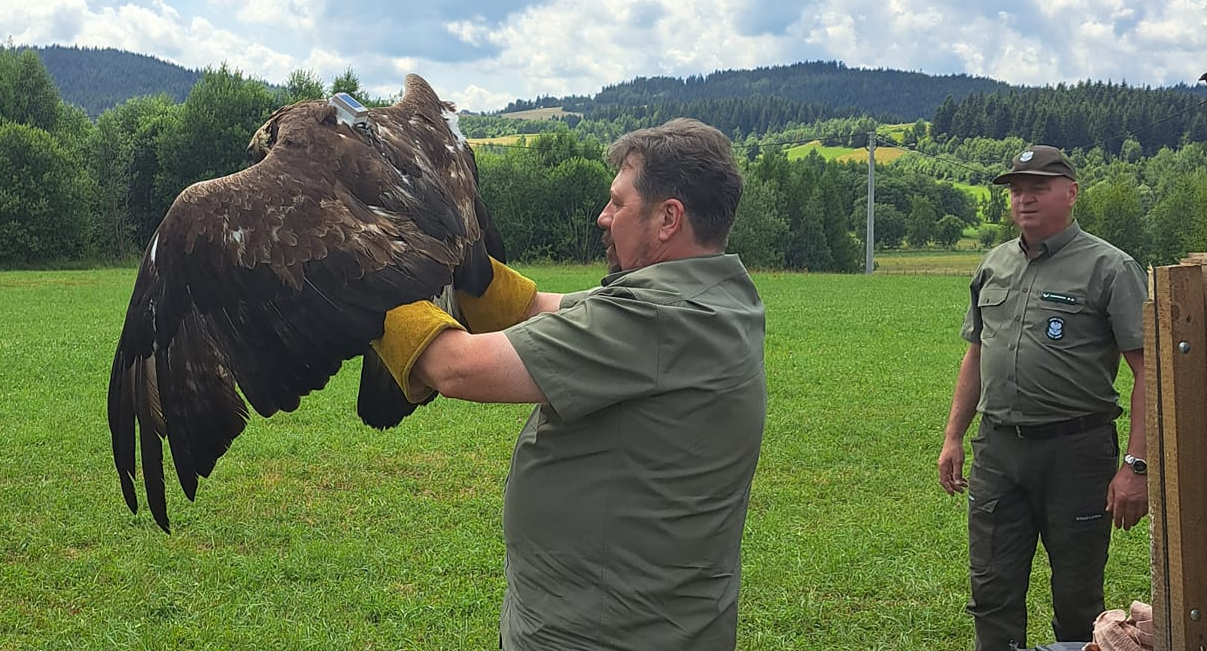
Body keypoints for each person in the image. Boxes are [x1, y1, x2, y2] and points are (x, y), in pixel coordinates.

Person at [372, 118, 767, 651]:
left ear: (669, 217)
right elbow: (537, 308)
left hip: (605, 633)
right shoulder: (713, 298)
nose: (603, 218)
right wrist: (456, 259)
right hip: (638, 617)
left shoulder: (659, 319)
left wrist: (363, 276)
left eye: (619, 204)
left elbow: (456, 367)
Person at [937, 145, 1149, 651]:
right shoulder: (994, 264)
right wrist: (953, 437)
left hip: (1076, 452)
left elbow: (1148, 373)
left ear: (1071, 193)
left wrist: (1136, 466)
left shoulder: (1111, 268)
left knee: (1077, 596)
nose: (1023, 199)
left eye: (1037, 187)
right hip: (998, 449)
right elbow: (975, 356)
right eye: (1015, 189)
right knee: (990, 587)